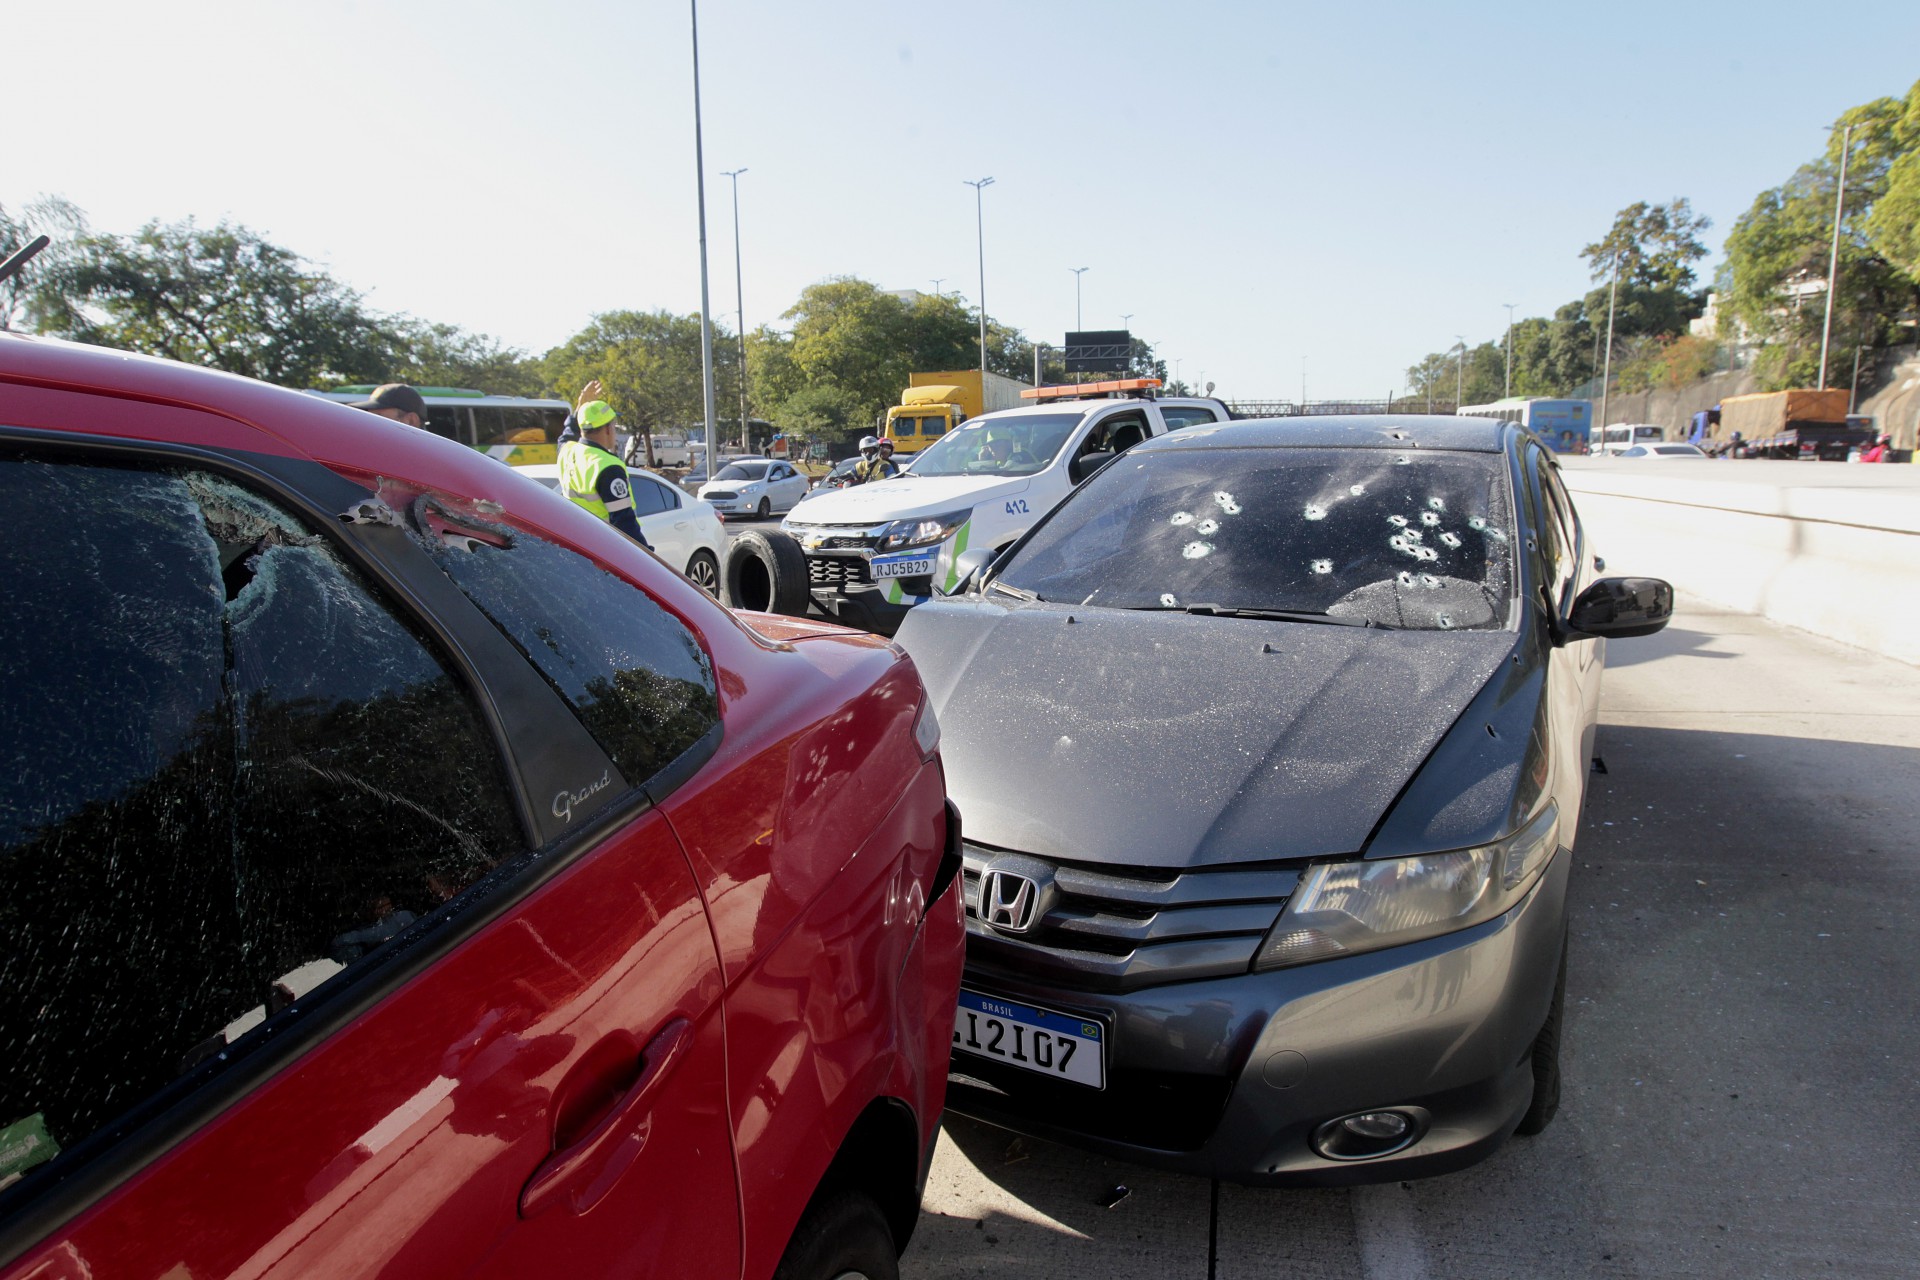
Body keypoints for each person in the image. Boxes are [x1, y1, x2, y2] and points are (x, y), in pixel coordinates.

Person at [557, 380, 651, 550]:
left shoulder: (566, 451)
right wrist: (647, 556)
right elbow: (624, 523)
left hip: (578, 544)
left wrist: (580, 405)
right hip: (606, 549)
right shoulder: (608, 467)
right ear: (608, 429)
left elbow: (566, 435)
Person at [351, 383, 429, 430]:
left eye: (378, 418)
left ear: (411, 421)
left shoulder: (428, 455)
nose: (369, 425)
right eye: (369, 418)